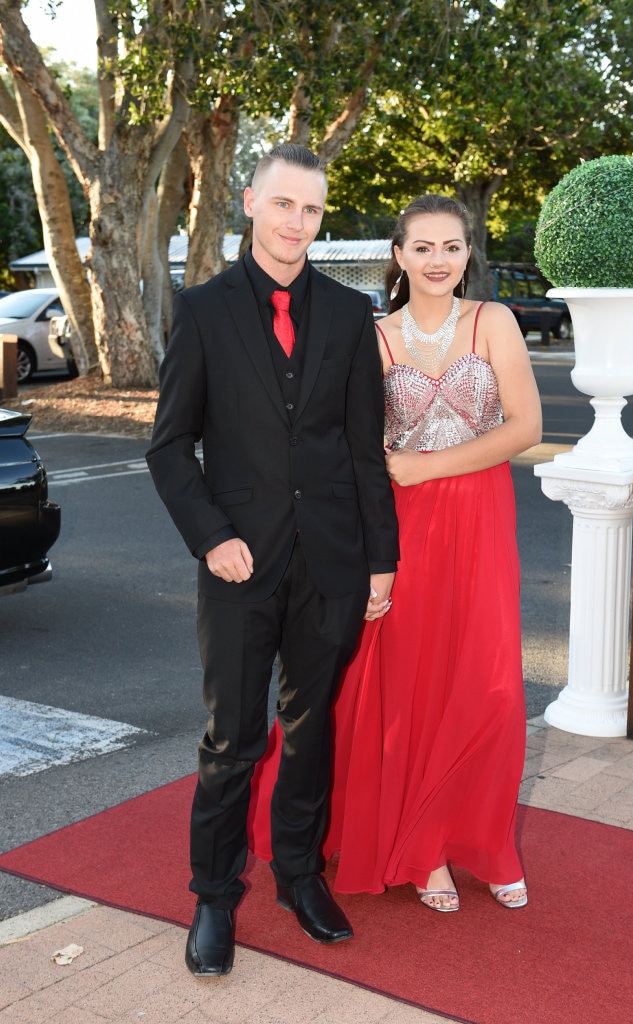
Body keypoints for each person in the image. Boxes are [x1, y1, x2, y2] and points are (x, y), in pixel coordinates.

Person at [146, 144, 399, 977]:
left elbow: (364, 449)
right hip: (235, 565)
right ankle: (214, 896)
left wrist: (380, 561)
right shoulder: (204, 309)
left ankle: (298, 875)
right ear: (250, 202)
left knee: (310, 727)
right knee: (231, 738)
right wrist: (212, 536)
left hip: (331, 562)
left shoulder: (347, 312)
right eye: (284, 204)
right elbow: (171, 446)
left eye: (312, 210)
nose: (297, 222)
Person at [249, 193, 542, 913]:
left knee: (489, 688)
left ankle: (487, 842)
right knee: (406, 691)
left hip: (478, 523)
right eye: (423, 247)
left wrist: (422, 467)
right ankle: (422, 850)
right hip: (397, 530)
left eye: (451, 247)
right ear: (398, 254)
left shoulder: (492, 320)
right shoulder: (370, 336)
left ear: (467, 253)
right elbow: (344, 443)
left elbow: (526, 427)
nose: (438, 261)